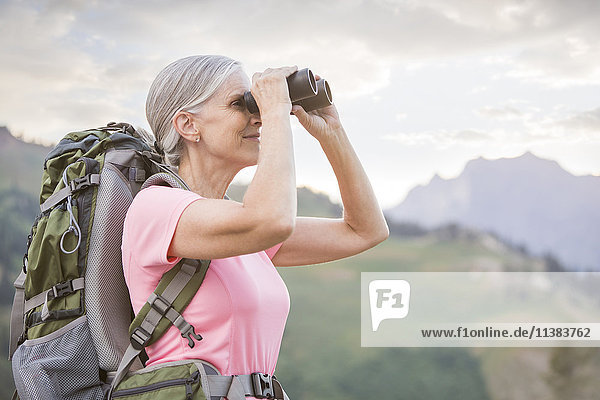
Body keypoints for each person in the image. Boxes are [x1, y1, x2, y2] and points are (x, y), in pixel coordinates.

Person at [121, 55, 389, 392]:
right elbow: (270, 220)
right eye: (241, 104)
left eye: (256, 103)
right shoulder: (157, 208)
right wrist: (276, 111)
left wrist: (332, 134)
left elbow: (364, 231)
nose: (258, 118)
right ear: (188, 125)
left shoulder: (239, 226)